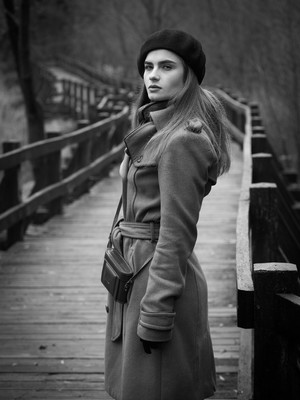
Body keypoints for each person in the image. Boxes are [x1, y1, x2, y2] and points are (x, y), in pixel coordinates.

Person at [104, 29, 231, 400]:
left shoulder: (183, 140)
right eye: (147, 66)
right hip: (134, 270)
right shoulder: (153, 128)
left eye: (166, 66)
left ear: (188, 74)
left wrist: (157, 309)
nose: (152, 75)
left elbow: (176, 234)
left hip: (157, 279)